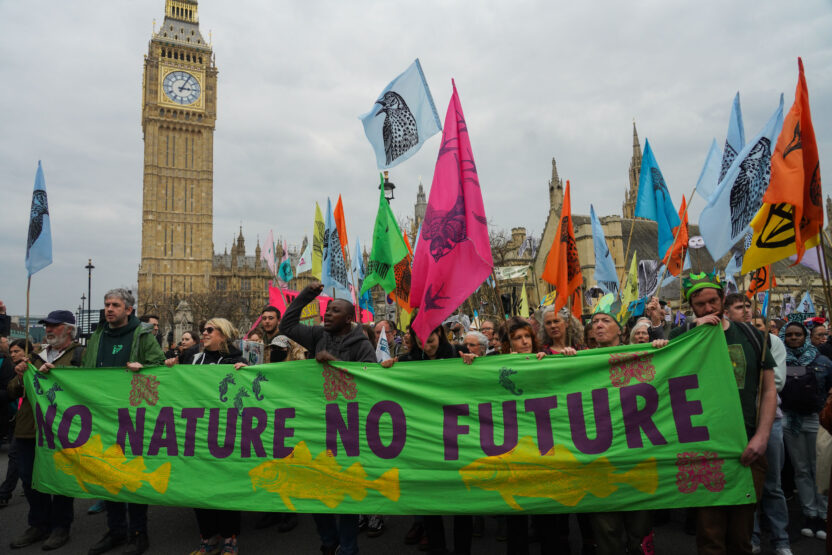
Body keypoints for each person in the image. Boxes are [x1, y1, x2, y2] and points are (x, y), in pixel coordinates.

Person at [669, 273, 776, 553]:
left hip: (747, 446)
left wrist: (763, 437)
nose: (708, 309)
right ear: (691, 306)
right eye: (700, 304)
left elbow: (768, 391)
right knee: (710, 537)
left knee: (741, 537)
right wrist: (693, 328)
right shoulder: (683, 338)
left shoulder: (752, 336)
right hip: (704, 451)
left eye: (713, 302)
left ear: (723, 299)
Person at [279, 281, 375, 555]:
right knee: (315, 488)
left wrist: (334, 362)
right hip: (318, 425)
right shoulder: (317, 335)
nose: (327, 314)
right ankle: (328, 540)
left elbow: (371, 379)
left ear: (348, 320)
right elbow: (287, 327)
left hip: (347, 429)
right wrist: (307, 295)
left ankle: (347, 547)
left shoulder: (361, 345)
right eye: (327, 309)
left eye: (334, 311)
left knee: (344, 492)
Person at [84, 289, 165, 555]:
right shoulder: (98, 335)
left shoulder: (142, 334)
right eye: (107, 304)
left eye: (115, 305)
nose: (109, 309)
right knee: (109, 475)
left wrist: (142, 367)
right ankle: (116, 531)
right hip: (103, 415)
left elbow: (159, 366)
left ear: (128, 310)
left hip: (132, 416)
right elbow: (86, 371)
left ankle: (138, 532)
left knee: (132, 475)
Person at [589, 297, 666, 555]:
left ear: (621, 329)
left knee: (640, 529)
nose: (598, 325)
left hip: (637, 456)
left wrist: (662, 347)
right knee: (607, 531)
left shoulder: (640, 355)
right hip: (600, 460)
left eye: (605, 320)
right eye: (595, 322)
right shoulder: (579, 361)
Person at [7, 311, 83, 551]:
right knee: (30, 479)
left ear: (69, 329)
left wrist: (59, 377)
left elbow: (87, 387)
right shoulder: (34, 357)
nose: (48, 330)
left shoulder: (80, 355)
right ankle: (38, 524)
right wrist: (21, 376)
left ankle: (61, 527)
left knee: (59, 479)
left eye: (54, 326)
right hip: (29, 428)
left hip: (61, 431)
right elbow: (13, 390)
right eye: (46, 326)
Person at [182, 318, 245, 555]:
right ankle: (207, 538)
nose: (204, 333)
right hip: (197, 433)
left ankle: (230, 539)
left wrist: (247, 373)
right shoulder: (193, 359)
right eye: (203, 330)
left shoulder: (237, 361)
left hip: (225, 434)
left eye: (210, 330)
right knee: (199, 489)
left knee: (225, 488)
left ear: (224, 334)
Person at [779, 320, 831, 541]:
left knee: (820, 468)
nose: (793, 338)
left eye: (797, 334)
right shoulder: (778, 361)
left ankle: (824, 514)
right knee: (801, 469)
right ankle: (810, 513)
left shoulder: (824, 361)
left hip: (816, 419)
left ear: (805, 336)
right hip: (790, 420)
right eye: (789, 335)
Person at [746, 314, 792, 555]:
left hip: (770, 422)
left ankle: (781, 541)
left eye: (759, 325)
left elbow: (778, 381)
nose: (754, 328)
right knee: (748, 485)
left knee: (773, 486)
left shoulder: (774, 343)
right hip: (742, 422)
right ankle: (752, 538)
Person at [0, 338, 27, 509]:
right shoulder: (12, 367)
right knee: (15, 455)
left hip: (28, 420)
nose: (13, 354)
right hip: (14, 418)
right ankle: (5, 493)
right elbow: (11, 390)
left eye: (17, 351)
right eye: (11, 352)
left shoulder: (32, 367)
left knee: (20, 456)